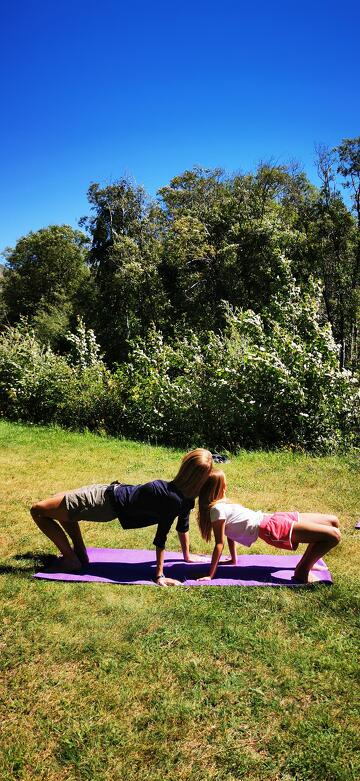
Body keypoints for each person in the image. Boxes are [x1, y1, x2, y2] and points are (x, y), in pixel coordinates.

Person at [30, 448, 213, 586]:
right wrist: (187, 556)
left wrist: (159, 575)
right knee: (59, 501)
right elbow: (183, 526)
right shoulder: (186, 498)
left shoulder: (171, 498)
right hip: (107, 492)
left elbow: (161, 537)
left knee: (37, 510)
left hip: (103, 502)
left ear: (186, 469)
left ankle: (71, 560)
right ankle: (79, 553)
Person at [197, 470, 341, 583]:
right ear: (218, 488)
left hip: (273, 517)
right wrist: (210, 574)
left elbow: (230, 533)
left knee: (332, 521)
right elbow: (219, 544)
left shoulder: (222, 505)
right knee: (333, 536)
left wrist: (233, 559)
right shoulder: (216, 510)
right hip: (271, 528)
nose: (226, 486)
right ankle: (302, 572)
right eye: (224, 484)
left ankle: (308, 562)